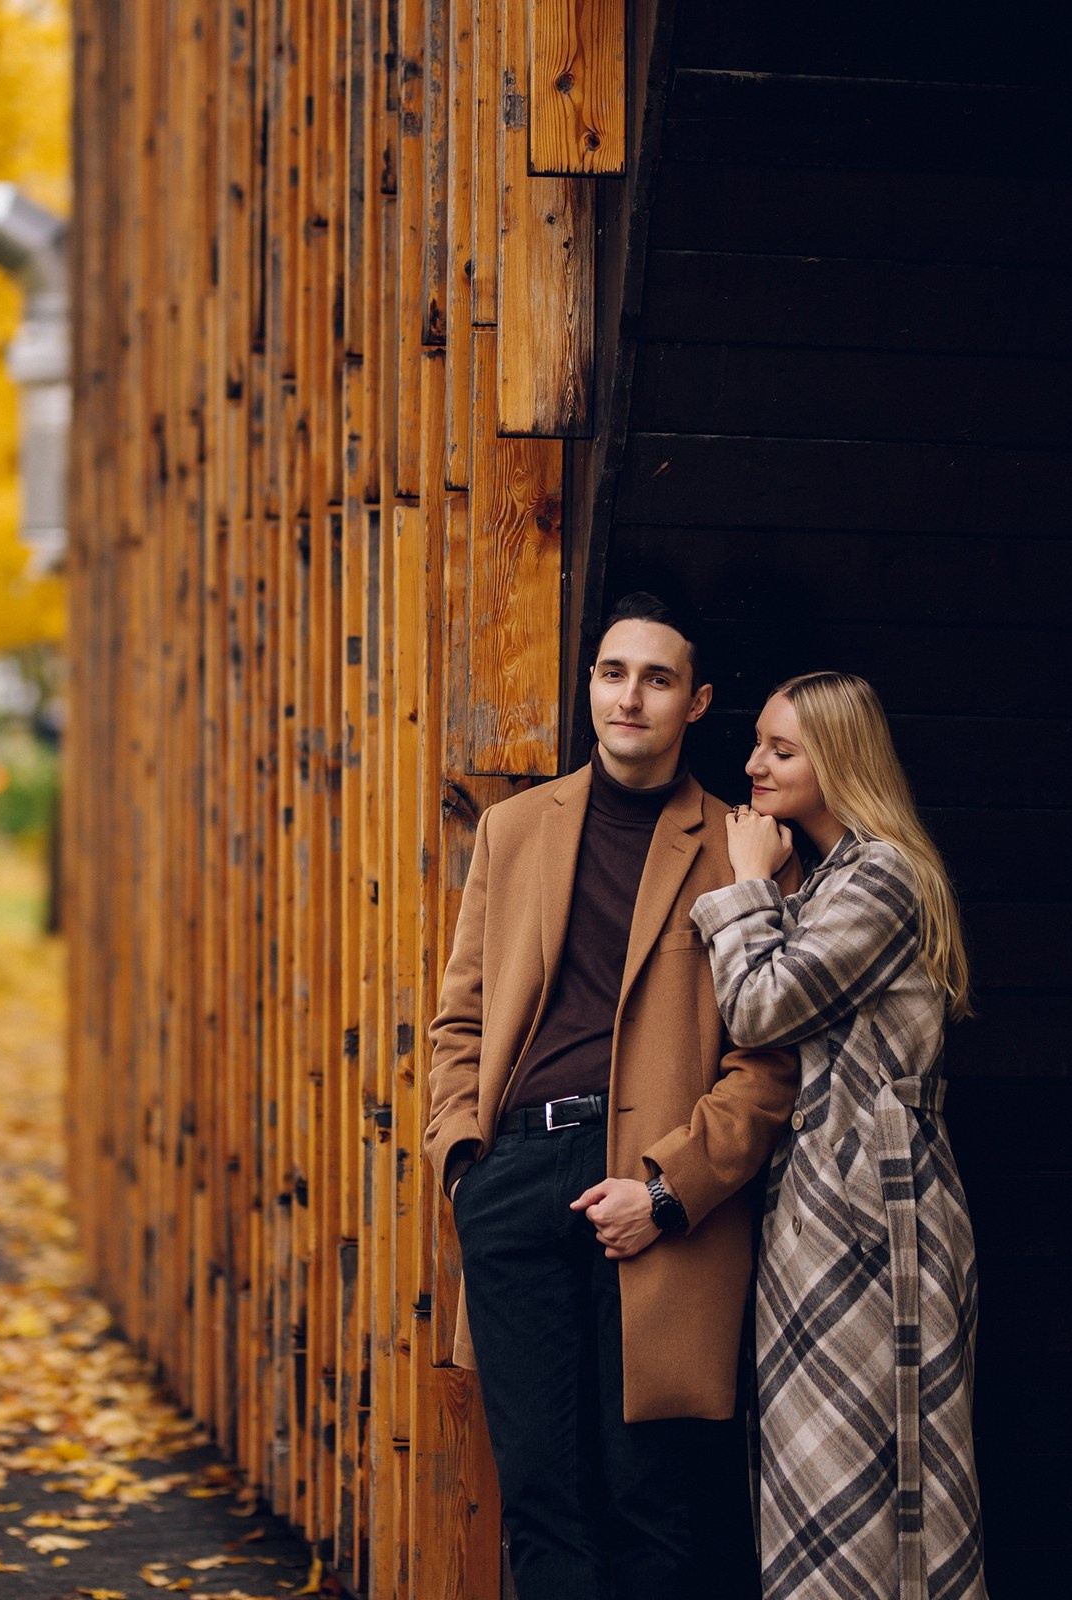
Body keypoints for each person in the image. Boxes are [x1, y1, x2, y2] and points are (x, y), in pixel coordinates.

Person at [425, 592, 800, 1600]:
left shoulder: (741, 846)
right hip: (513, 1183)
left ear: (696, 701)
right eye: (612, 672)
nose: (629, 696)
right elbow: (459, 1016)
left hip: (652, 1195)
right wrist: (465, 1159)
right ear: (591, 684)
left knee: (652, 1505)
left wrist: (668, 1190)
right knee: (542, 1500)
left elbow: (769, 1065)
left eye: (657, 678)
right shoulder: (514, 830)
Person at [691, 671, 987, 1600]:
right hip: (823, 1209)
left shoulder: (884, 876)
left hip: (875, 1214)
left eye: (783, 749)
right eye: (758, 744)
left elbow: (760, 1005)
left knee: (870, 1482)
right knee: (818, 1480)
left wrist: (744, 884)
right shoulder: (832, 878)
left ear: (841, 759)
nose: (753, 765)